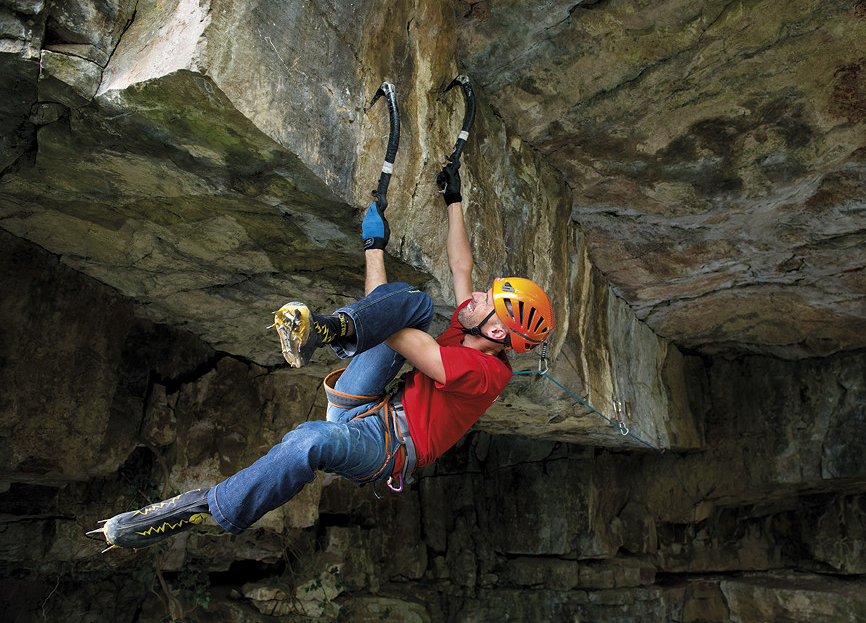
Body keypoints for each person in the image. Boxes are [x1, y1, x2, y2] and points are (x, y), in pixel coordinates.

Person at [89, 158, 554, 551]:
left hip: (386, 447)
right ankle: (326, 330)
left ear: (495, 329)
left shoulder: (483, 372)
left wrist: (374, 251)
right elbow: (460, 264)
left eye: (484, 300)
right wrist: (454, 200)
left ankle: (207, 507)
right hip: (368, 402)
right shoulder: (472, 327)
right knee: (418, 303)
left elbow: (390, 332)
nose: (472, 296)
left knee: (310, 441)